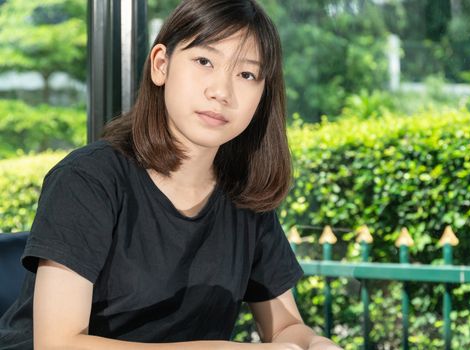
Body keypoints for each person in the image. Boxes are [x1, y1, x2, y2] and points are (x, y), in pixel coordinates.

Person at [0, 0, 341, 349]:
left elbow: (284, 327)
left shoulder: (245, 196)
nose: (221, 92)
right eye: (204, 61)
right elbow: (58, 344)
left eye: (247, 74)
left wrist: (314, 343)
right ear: (161, 65)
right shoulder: (87, 178)